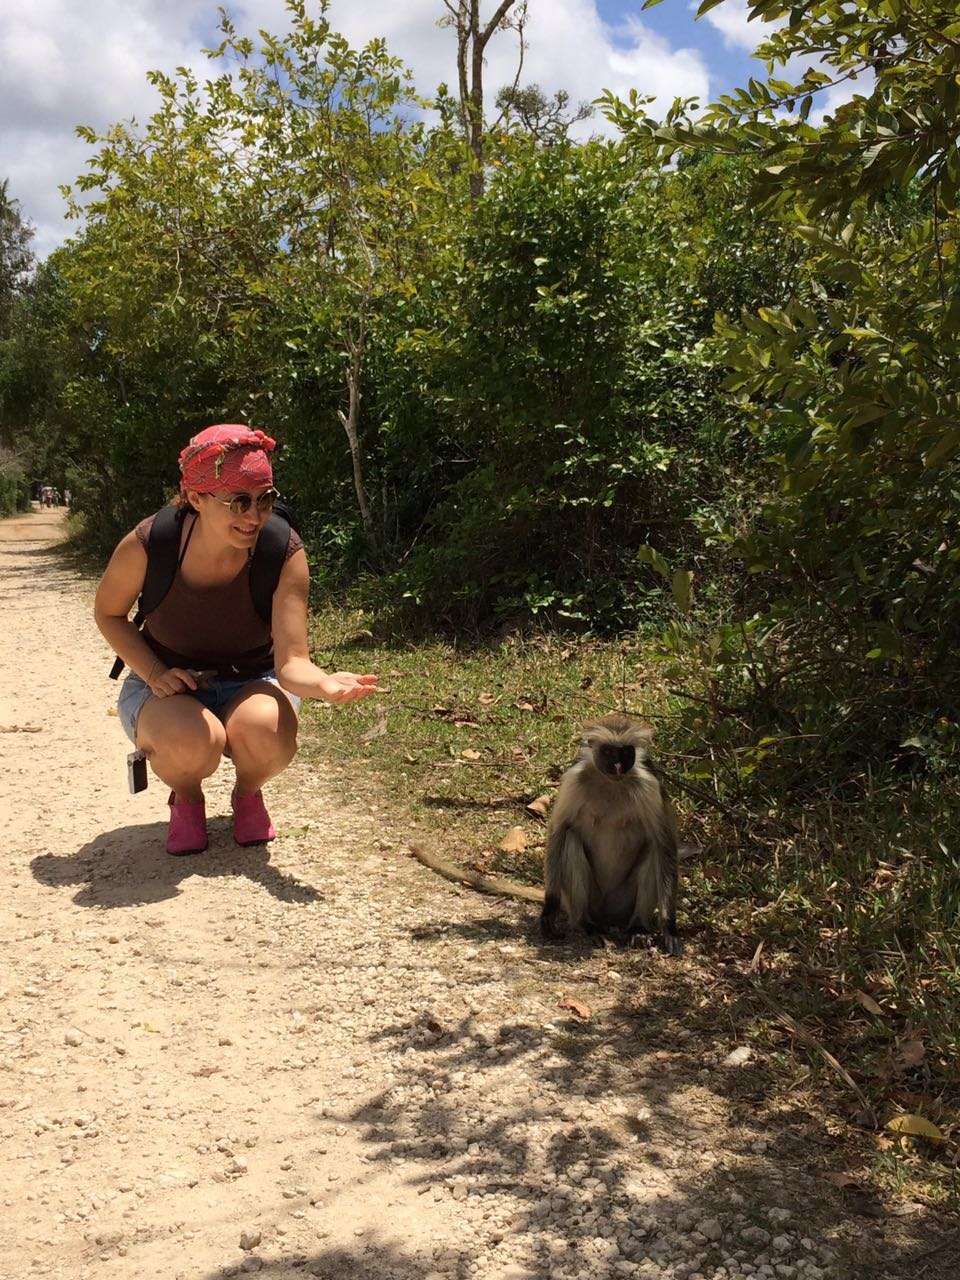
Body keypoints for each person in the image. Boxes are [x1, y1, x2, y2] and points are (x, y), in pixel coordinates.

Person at [94, 424, 379, 855]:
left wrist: (323, 684)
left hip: (253, 678)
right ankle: (187, 796)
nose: (254, 516)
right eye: (238, 502)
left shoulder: (281, 549)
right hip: (169, 684)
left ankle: (248, 792)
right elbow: (109, 613)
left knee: (266, 730)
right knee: (192, 741)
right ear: (196, 498)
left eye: (265, 499)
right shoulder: (151, 544)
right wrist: (153, 672)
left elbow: (291, 663)